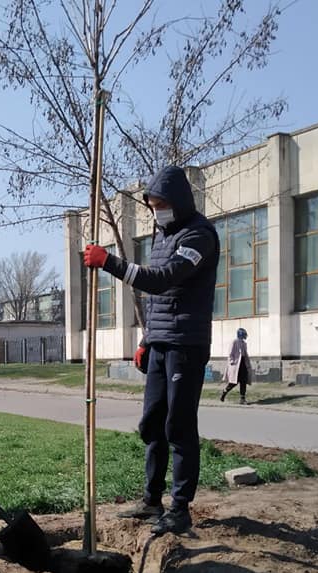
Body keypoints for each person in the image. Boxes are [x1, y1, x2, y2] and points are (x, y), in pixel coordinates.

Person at [83, 165, 219, 535]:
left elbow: (162, 281)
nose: (157, 211)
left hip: (186, 345)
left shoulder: (199, 237)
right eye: (153, 205)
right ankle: (150, 500)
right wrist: (147, 340)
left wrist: (110, 262)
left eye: (162, 204)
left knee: (179, 424)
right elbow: (160, 302)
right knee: (152, 423)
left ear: (178, 201)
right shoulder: (163, 237)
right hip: (161, 342)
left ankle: (180, 507)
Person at [220, 328, 253, 404]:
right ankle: (224, 392)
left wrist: (247, 363)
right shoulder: (234, 342)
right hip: (236, 365)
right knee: (234, 382)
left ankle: (242, 399)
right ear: (240, 334)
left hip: (243, 364)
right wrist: (232, 361)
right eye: (244, 334)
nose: (245, 336)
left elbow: (244, 354)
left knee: (243, 381)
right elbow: (230, 353)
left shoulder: (244, 343)